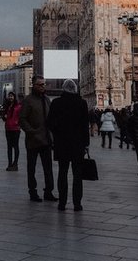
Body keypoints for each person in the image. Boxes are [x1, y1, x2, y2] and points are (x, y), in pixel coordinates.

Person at [47, 79, 89, 212]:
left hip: (62, 143)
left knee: (62, 173)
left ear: (63, 89)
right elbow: (84, 126)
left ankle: (62, 203)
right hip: (78, 144)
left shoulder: (56, 103)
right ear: (75, 89)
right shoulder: (82, 103)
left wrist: (58, 133)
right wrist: (86, 144)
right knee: (77, 175)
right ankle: (77, 204)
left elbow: (50, 123)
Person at [19, 75, 56, 202]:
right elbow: (22, 119)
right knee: (32, 168)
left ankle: (49, 191)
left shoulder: (46, 99)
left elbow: (51, 117)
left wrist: (52, 134)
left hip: (46, 140)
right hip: (33, 140)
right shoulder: (28, 100)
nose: (42, 87)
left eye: (44, 84)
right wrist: (31, 131)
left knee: (48, 168)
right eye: (40, 85)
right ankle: (33, 192)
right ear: (33, 85)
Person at [3, 91, 22, 171]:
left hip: (15, 129)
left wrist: (18, 123)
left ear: (14, 97)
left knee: (16, 146)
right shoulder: (7, 106)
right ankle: (9, 164)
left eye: (12, 96)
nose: (10, 97)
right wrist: (4, 117)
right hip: (8, 128)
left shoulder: (18, 106)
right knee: (9, 147)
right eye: (9, 96)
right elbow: (4, 117)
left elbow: (21, 117)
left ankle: (15, 164)